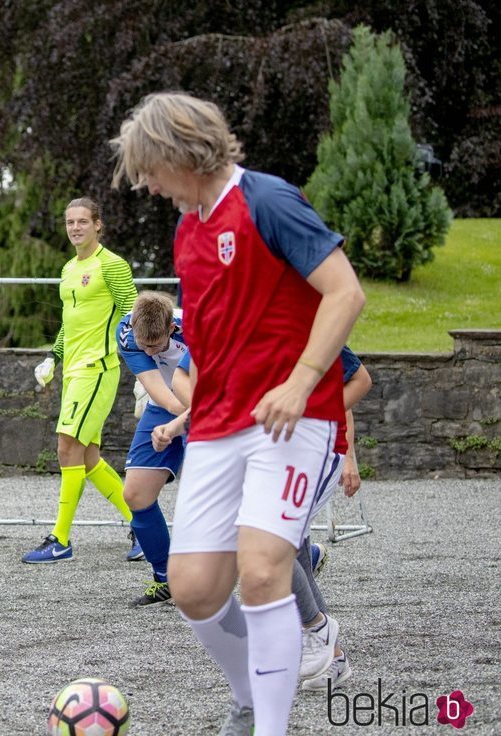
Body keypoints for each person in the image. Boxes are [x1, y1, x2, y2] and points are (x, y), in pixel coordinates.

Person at [112, 92, 365, 736]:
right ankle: (250, 694)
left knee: (260, 571)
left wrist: (303, 380)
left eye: (150, 167)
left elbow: (345, 293)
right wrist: (186, 415)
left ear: (179, 153)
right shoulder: (187, 230)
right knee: (192, 586)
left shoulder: (269, 200)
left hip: (291, 420)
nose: (147, 183)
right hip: (219, 425)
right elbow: (211, 344)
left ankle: (271, 727)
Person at [23, 197, 138, 563]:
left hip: (97, 369)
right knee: (87, 458)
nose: (75, 228)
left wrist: (143, 364)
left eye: (83, 221)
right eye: (70, 221)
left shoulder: (112, 265)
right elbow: (68, 322)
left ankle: (60, 539)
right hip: (73, 370)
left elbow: (136, 315)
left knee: (66, 447)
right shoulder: (69, 267)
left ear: (98, 224)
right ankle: (144, 527)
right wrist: (52, 356)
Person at [296, 347, 372, 691]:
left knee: (274, 544)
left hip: (320, 449)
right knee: (286, 548)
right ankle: (329, 650)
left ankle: (323, 636)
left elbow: (357, 381)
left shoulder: (309, 320)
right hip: (278, 450)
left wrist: (350, 459)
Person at [115, 291, 192, 606]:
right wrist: (175, 423)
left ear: (172, 329)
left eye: (155, 346)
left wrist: (180, 426)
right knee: (135, 493)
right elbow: (158, 390)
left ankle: (296, 555)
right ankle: (166, 578)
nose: (147, 351)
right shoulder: (126, 332)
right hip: (168, 401)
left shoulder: (198, 329)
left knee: (221, 497)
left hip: (209, 397)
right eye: (142, 344)